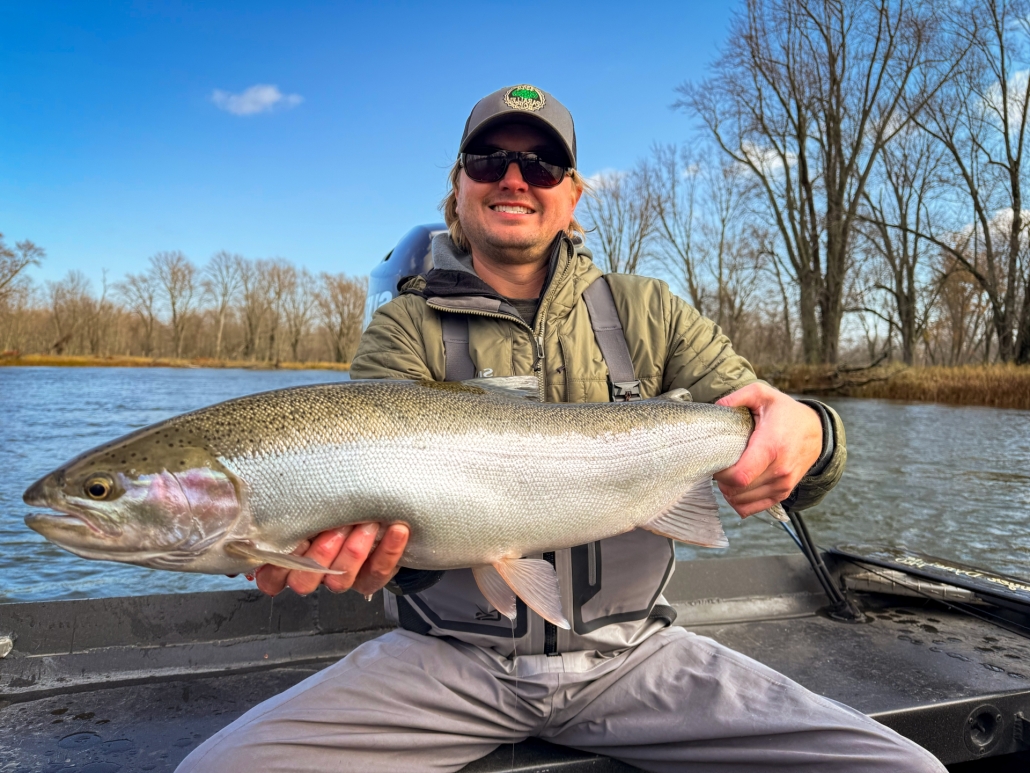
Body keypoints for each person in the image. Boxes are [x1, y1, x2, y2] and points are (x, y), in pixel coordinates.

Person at [178, 84, 945, 772]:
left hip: (638, 658)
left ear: (572, 196)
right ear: (458, 186)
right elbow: (375, 506)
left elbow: (767, 417)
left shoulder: (652, 311)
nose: (514, 177)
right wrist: (349, 551)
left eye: (542, 166)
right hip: (445, 663)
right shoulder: (401, 328)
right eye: (490, 159)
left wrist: (810, 431)